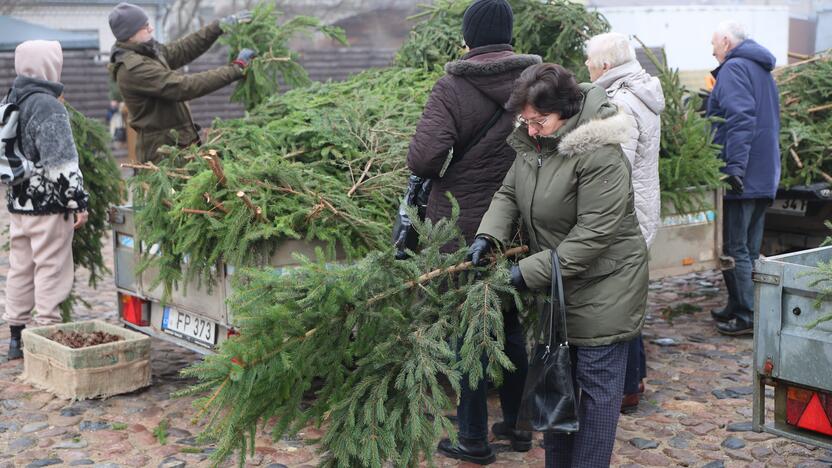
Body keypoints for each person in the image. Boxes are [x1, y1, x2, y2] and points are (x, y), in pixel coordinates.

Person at [470, 63, 648, 468]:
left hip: (606, 286)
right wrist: (488, 236)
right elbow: (508, 194)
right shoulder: (537, 147)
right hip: (560, 285)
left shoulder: (599, 154)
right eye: (526, 121)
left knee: (597, 393)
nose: (531, 129)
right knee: (556, 383)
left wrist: (523, 273)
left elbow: (590, 239)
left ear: (566, 111)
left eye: (539, 121)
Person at [406, 0, 541, 463]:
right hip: (523, 224)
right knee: (512, 321)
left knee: (471, 329)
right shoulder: (537, 85)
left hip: (464, 227)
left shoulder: (452, 87)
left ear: (469, 38)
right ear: (508, 36)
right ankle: (519, 426)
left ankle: (472, 438)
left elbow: (424, 159)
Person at [586, 32, 665, 412]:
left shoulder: (619, 102)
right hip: (643, 206)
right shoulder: (640, 91)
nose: (585, 66)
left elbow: (619, 167)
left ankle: (627, 387)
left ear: (604, 65)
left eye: (589, 61)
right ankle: (636, 378)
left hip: (627, 214)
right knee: (630, 293)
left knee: (619, 300)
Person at [3, 40, 89, 360]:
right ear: (50, 65)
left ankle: (15, 337)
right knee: (51, 268)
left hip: (18, 204)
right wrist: (77, 201)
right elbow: (61, 162)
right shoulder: (48, 105)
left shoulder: (11, 99)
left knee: (20, 268)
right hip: (49, 205)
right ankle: (44, 336)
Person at [108, 2, 256, 163]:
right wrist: (236, 68)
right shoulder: (134, 69)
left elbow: (181, 50)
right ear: (130, 34)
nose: (150, 28)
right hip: (164, 155)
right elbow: (184, 87)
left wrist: (217, 28)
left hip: (179, 144)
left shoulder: (146, 52)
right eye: (144, 26)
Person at [706, 21, 780, 336]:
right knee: (748, 248)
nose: (712, 50)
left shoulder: (735, 68)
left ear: (726, 41)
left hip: (743, 173)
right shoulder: (760, 70)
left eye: (713, 44)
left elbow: (740, 118)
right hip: (763, 172)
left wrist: (734, 166)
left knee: (735, 248)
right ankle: (739, 304)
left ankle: (748, 315)